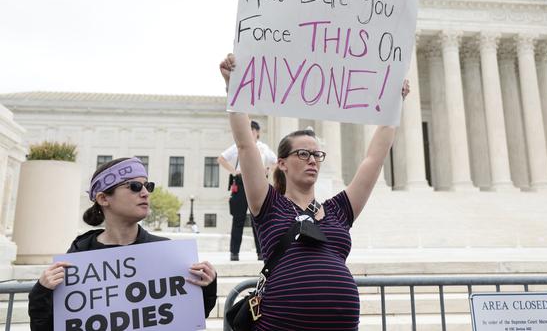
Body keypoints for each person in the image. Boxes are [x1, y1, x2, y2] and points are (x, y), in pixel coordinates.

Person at [220, 53, 409, 330]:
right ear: (281, 163)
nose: (312, 160)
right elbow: (246, 146)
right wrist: (232, 88)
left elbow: (374, 159)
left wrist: (394, 105)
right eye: (304, 153)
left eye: (317, 154)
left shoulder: (339, 210)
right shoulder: (269, 205)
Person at [28, 157, 217, 331]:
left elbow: (189, 319)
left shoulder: (165, 253)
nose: (145, 193)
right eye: (135, 186)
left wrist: (207, 286)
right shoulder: (79, 254)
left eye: (147, 186)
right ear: (103, 198)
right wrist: (42, 291)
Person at [218, 120, 277, 261]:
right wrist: (234, 171)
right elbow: (221, 158)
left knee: (258, 218)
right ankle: (234, 253)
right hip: (241, 182)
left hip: (258, 182)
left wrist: (268, 170)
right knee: (238, 218)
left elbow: (276, 161)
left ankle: (261, 253)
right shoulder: (239, 146)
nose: (249, 133)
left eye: (252, 130)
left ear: (257, 132)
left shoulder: (263, 148)